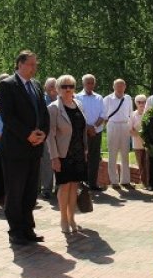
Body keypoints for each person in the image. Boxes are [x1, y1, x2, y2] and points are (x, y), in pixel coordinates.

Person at [0, 50, 50, 245]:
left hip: (34, 147)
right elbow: (7, 116)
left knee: (30, 191)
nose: (34, 68)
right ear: (20, 64)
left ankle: (28, 228)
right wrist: (27, 134)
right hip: (15, 148)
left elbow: (43, 113)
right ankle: (16, 230)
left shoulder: (36, 85)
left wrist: (43, 133)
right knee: (15, 190)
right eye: (31, 64)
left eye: (36, 64)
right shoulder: (7, 85)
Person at [47, 75, 88, 234]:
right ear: (57, 89)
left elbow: (82, 129)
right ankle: (63, 219)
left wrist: (85, 150)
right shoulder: (53, 108)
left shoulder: (78, 104)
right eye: (64, 86)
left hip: (78, 153)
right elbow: (50, 135)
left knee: (74, 186)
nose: (68, 89)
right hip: (63, 154)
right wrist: (54, 157)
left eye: (70, 85)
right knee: (64, 186)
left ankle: (72, 218)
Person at [76, 74, 105, 190]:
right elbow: (77, 115)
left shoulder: (99, 97)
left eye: (92, 82)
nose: (90, 85)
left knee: (94, 157)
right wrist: (88, 127)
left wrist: (93, 127)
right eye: (88, 82)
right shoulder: (77, 97)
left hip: (97, 132)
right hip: (82, 132)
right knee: (82, 157)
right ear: (83, 84)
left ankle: (93, 183)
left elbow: (103, 114)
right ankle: (82, 183)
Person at [103, 79, 133, 187]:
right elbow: (104, 115)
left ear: (125, 87)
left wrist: (131, 126)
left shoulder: (128, 98)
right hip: (113, 125)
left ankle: (125, 180)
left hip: (125, 126)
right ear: (113, 87)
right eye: (117, 86)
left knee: (125, 154)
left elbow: (131, 114)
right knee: (113, 154)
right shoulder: (107, 99)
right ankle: (114, 181)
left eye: (122, 86)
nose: (120, 88)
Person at [39, 77, 58, 199]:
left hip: (59, 135)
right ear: (45, 88)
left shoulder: (60, 100)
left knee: (59, 160)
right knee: (47, 162)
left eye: (54, 87)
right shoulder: (40, 100)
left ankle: (59, 187)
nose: (53, 89)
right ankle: (46, 188)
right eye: (50, 86)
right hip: (46, 135)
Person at [130, 94, 150, 188]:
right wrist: (140, 134)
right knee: (141, 164)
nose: (141, 104)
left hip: (148, 143)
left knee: (148, 163)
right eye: (139, 102)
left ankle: (149, 183)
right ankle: (144, 183)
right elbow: (130, 130)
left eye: (144, 102)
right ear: (136, 103)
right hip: (137, 143)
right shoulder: (133, 114)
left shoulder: (149, 114)